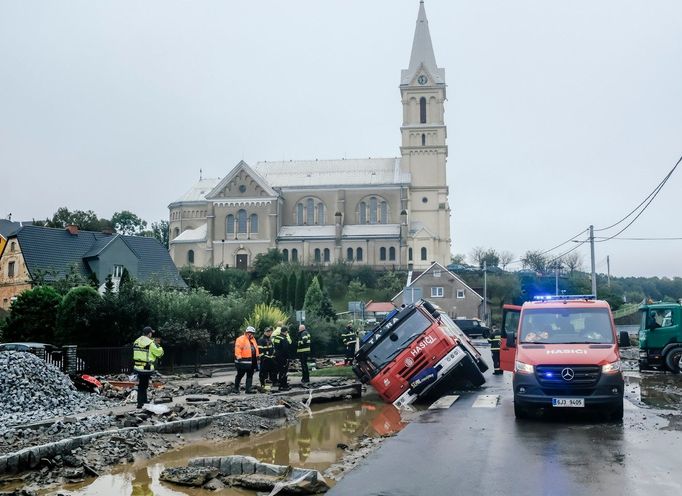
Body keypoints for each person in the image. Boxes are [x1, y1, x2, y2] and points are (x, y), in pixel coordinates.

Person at [133, 326, 164, 409]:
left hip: (137, 367)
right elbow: (159, 354)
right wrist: (159, 346)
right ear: (149, 333)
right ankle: (141, 403)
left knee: (142, 384)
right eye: (151, 333)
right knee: (144, 385)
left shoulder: (137, 341)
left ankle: (143, 402)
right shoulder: (151, 343)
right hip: (146, 367)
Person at [234, 326, 260, 394]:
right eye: (250, 333)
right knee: (240, 375)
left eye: (252, 333)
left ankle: (248, 389)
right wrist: (238, 356)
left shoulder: (253, 340)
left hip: (251, 361)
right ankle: (236, 388)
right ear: (246, 332)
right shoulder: (240, 339)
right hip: (242, 361)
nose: (251, 334)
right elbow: (238, 348)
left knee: (250, 375)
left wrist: (257, 357)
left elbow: (256, 349)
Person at [273, 325, 291, 390]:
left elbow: (275, 346)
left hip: (277, 356)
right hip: (283, 358)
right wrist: (288, 357)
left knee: (279, 370)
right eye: (287, 332)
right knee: (283, 371)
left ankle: (280, 384)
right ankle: (283, 385)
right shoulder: (284, 339)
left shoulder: (276, 337)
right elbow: (285, 349)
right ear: (285, 332)